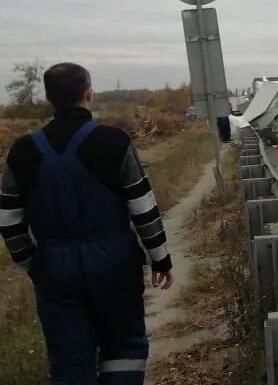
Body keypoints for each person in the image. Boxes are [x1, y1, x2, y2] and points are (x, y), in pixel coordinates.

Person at [0, 63, 173, 384]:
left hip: (55, 269)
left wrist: (33, 265)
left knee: (69, 362)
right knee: (123, 349)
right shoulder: (115, 143)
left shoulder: (22, 152)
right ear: (88, 94)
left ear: (49, 99)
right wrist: (160, 258)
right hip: (116, 265)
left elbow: (8, 220)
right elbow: (143, 207)